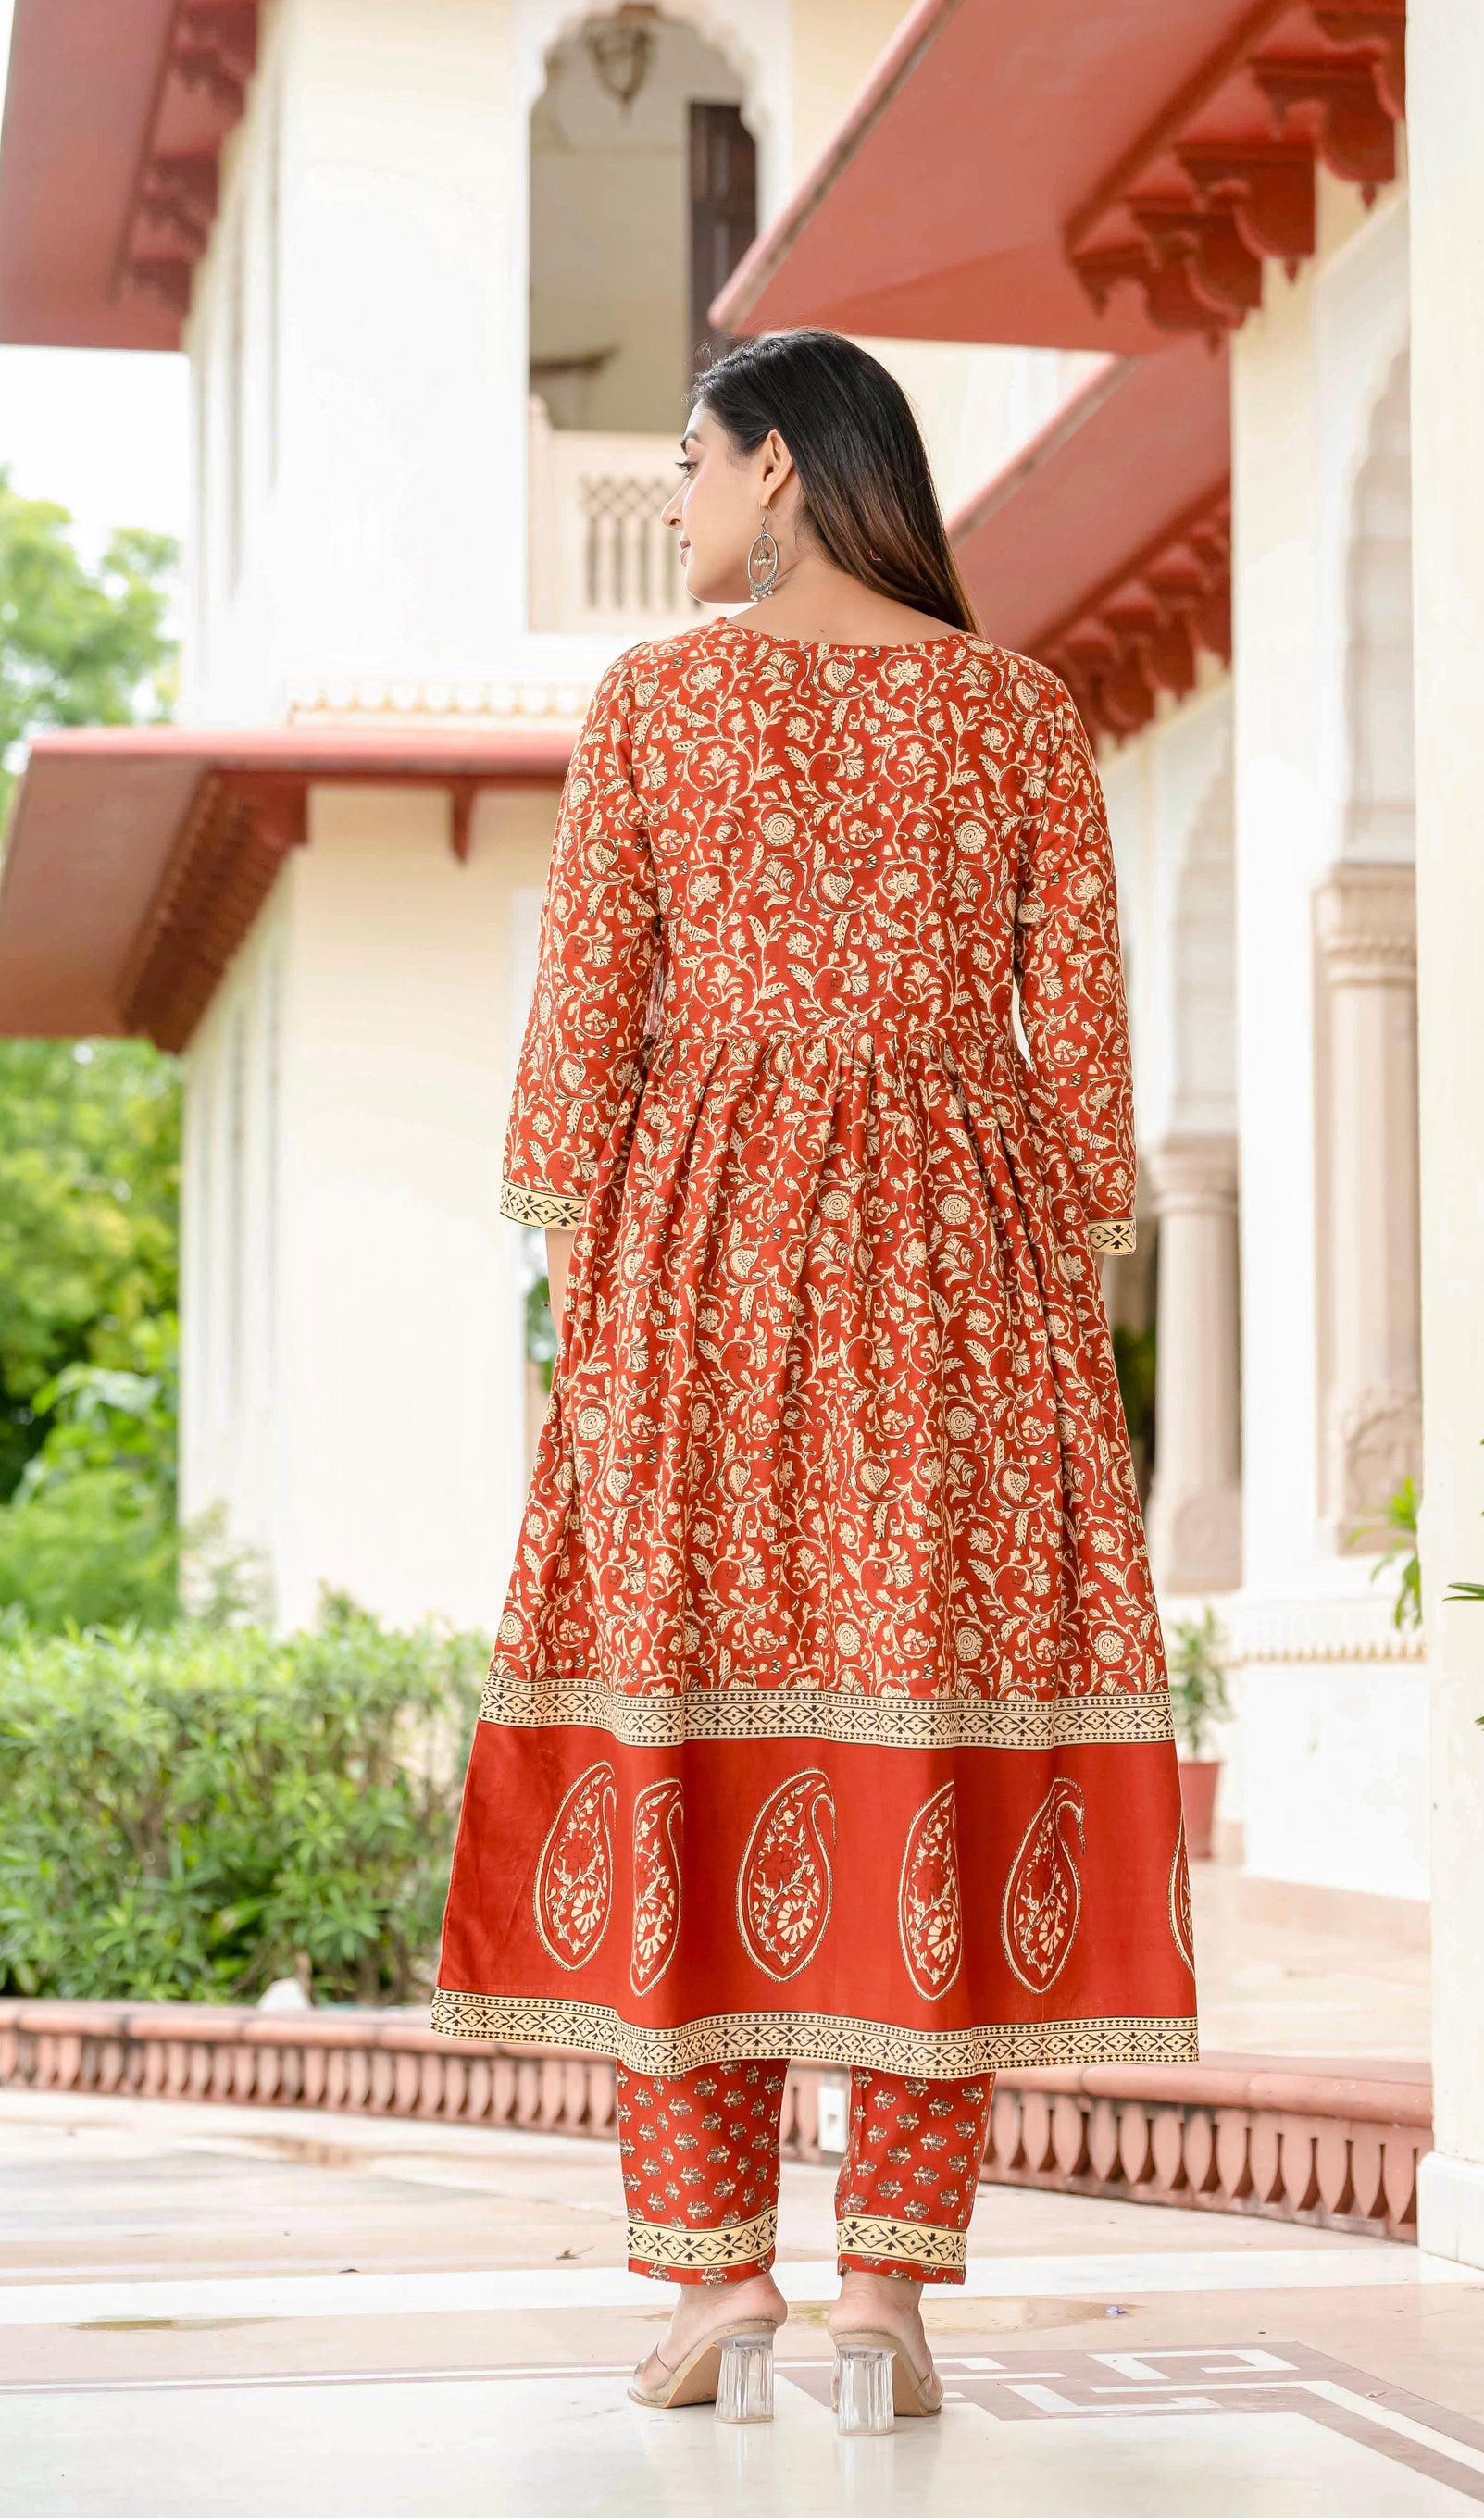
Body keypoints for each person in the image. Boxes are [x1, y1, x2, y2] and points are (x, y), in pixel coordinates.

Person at [430, 327, 1197, 2417]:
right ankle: (888, 2301)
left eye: (693, 461)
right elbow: (1086, 1081)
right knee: (924, 1744)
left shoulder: (654, 707)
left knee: (681, 1741)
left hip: (702, 1280)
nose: (678, 498)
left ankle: (716, 2288)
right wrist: (1049, 1337)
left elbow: (584, 1041)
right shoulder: (1020, 715)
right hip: (958, 1298)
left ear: (780, 467)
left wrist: (589, 1319)